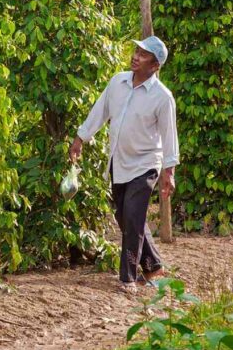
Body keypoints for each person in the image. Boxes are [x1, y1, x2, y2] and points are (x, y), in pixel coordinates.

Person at [68, 36, 178, 294]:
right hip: (119, 161)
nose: (135, 57)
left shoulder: (163, 98)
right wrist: (80, 138)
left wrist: (168, 173)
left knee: (132, 215)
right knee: (125, 216)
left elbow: (169, 135)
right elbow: (99, 111)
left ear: (155, 66)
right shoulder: (118, 82)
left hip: (146, 163)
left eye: (143, 55)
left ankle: (127, 277)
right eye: (136, 51)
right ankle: (153, 265)